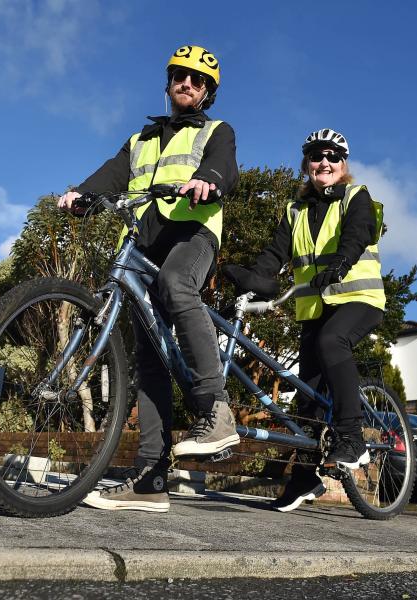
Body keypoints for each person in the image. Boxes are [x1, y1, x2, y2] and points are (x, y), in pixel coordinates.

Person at [58, 45, 240, 512]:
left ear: (207, 93)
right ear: (168, 82)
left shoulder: (217, 131)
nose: (187, 84)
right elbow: (112, 174)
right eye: (180, 76)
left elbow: (223, 166)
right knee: (150, 356)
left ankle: (216, 410)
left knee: (178, 285)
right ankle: (150, 478)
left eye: (197, 81)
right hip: (141, 243)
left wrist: (209, 180)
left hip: (192, 233)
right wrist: (82, 192)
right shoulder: (140, 140)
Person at [223, 128, 386, 512]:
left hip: (357, 298)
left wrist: (341, 263)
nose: (323, 162)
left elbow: (358, 232)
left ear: (343, 165)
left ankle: (352, 437)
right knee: (307, 394)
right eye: (316, 157)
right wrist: (253, 280)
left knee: (334, 342)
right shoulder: (294, 211)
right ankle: (304, 478)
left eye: (332, 156)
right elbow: (274, 255)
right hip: (315, 310)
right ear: (307, 165)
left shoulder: (354, 197)